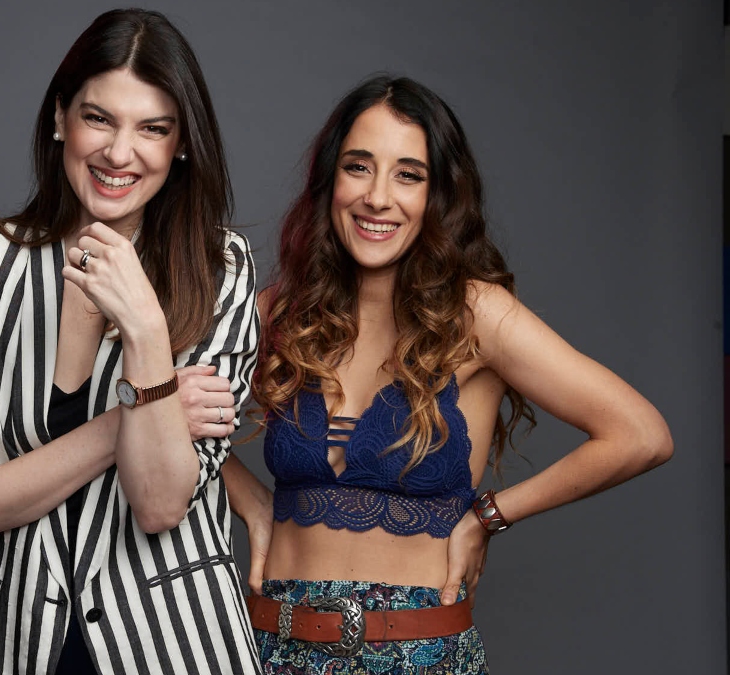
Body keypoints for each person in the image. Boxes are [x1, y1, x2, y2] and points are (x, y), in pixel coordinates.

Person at [236, 75, 673, 674]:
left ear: (438, 194)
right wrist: (251, 500)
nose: (378, 197)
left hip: (422, 658)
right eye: (358, 167)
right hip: (272, 651)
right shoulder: (282, 314)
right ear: (329, 181)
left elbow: (641, 434)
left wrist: (490, 516)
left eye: (408, 175)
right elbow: (160, 400)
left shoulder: (476, 316)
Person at [0, 9, 262, 675]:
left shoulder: (221, 269)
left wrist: (147, 329)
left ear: (181, 144)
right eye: (98, 118)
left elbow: (160, 503)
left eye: (152, 128)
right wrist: (135, 415)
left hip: (168, 642)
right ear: (59, 119)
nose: (119, 153)